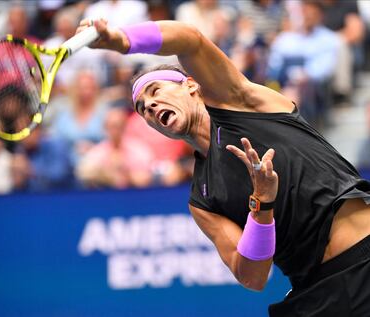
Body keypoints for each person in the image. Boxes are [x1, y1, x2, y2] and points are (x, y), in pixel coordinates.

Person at [76, 15, 370, 316]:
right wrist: (262, 206)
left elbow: (189, 38)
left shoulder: (241, 102)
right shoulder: (202, 200)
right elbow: (252, 276)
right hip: (317, 295)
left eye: (156, 92)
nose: (149, 107)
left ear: (191, 86)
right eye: (142, 110)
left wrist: (122, 40)